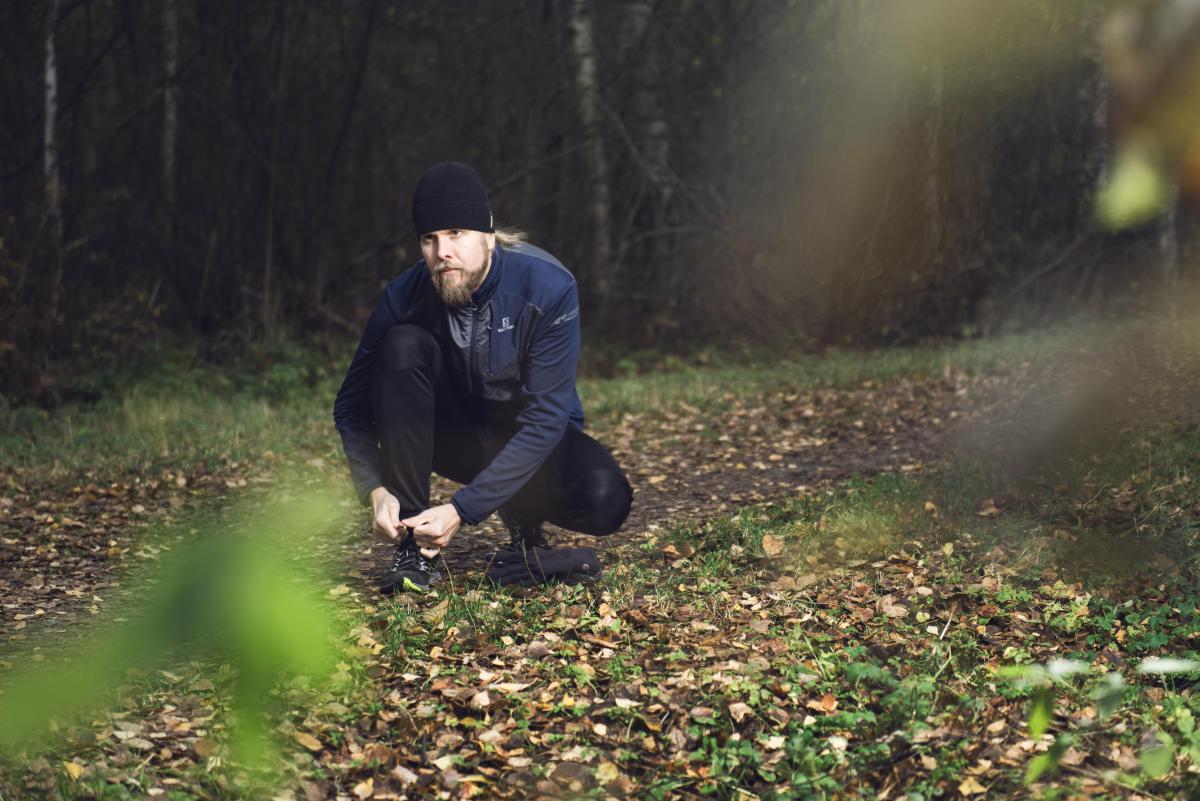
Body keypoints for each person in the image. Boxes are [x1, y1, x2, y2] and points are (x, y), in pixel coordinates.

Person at [333, 162, 632, 593]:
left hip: (529, 439)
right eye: (429, 239)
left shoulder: (548, 286)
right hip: (450, 435)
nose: (442, 253)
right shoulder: (405, 295)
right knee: (401, 345)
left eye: (456, 233)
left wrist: (460, 510)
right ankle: (415, 549)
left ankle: (525, 524)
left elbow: (548, 420)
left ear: (487, 235)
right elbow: (351, 406)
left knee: (607, 500)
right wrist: (375, 491)